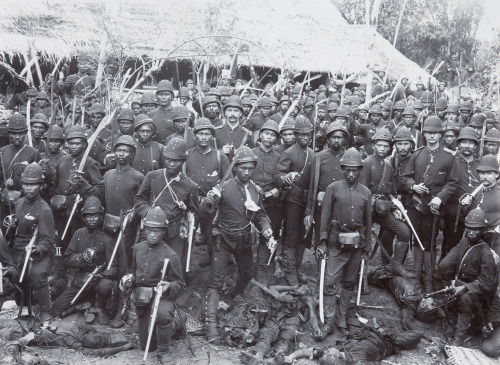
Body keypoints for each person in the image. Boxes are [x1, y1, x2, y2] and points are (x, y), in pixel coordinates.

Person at [204, 146, 273, 344]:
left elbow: (260, 214)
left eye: (250, 168)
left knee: (247, 275)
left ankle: (230, 297)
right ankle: (211, 326)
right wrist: (210, 200)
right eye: (243, 168)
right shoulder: (223, 188)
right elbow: (207, 208)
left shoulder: (255, 189)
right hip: (223, 238)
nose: (247, 172)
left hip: (243, 240)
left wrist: (266, 228)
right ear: (235, 168)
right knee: (216, 281)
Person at [316, 148, 372, 339]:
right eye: (347, 169)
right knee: (330, 282)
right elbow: (324, 217)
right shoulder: (333, 189)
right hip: (336, 244)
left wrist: (367, 247)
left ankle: (341, 318)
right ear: (342, 169)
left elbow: (368, 221)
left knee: (349, 282)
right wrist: (323, 242)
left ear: (360, 171)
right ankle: (329, 320)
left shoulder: (366, 193)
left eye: (355, 170)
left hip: (357, 245)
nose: (351, 174)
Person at [401, 116, 457, 292]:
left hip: (433, 208)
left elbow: (452, 182)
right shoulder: (417, 154)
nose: (432, 136)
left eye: (435, 133)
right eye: (428, 133)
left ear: (441, 135)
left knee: (430, 242)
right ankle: (417, 277)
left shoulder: (449, 157)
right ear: (424, 134)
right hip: (415, 206)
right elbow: (405, 177)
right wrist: (413, 186)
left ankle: (429, 280)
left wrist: (439, 198)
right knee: (417, 241)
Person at [123, 206, 185, 364]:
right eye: (149, 230)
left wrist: (168, 286)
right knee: (146, 346)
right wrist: (128, 280)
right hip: (143, 299)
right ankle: (174, 324)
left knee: (163, 315)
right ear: (144, 228)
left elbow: (180, 284)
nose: (151, 234)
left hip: (161, 297)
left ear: (164, 232)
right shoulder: (137, 249)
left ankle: (165, 348)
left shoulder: (171, 255)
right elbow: (133, 271)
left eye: (156, 231)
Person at [134, 137, 200, 273]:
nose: (171, 164)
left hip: (173, 233)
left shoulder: (190, 186)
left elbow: (194, 212)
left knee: (172, 267)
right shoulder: (152, 176)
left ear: (183, 161)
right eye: (168, 159)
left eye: (176, 161)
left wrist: (185, 215)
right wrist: (149, 213)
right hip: (151, 229)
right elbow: (139, 200)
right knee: (144, 263)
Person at [52, 197, 118, 325]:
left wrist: (101, 275)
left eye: (95, 215)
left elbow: (114, 267)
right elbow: (67, 258)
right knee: (57, 309)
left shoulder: (108, 239)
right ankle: (83, 303)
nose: (91, 219)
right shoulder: (78, 234)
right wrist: (82, 257)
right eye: (88, 216)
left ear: (100, 216)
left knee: (105, 286)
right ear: (83, 217)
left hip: (99, 281)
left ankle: (100, 306)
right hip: (81, 280)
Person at [359, 129, 413, 277]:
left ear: (390, 148)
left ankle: (393, 266)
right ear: (373, 145)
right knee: (363, 243)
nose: (382, 148)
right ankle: (359, 274)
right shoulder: (366, 163)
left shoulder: (388, 166)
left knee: (404, 231)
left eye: (386, 146)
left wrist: (395, 207)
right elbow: (361, 193)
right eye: (379, 145)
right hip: (366, 211)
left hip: (383, 209)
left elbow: (392, 192)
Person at [439, 208, 496, 346]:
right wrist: (452, 282)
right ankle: (452, 322)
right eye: (469, 228)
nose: (471, 232)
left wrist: (464, 288)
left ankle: (459, 338)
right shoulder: (464, 242)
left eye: (475, 229)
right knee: (442, 268)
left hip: (478, 296)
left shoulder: (486, 253)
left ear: (482, 230)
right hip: (462, 284)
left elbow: (487, 284)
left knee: (465, 298)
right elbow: (446, 264)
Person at [11, 163, 55, 322]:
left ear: (41, 186)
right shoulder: (20, 203)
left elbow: (48, 241)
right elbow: (14, 230)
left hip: (38, 252)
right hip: (19, 249)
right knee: (12, 274)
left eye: (33, 184)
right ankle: (27, 302)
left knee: (37, 274)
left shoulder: (44, 210)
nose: (29, 188)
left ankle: (46, 311)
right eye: (26, 184)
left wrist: (36, 249)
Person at [49, 125, 103, 250]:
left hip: (78, 212)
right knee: (60, 242)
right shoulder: (62, 160)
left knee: (77, 243)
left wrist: (83, 186)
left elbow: (99, 192)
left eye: (77, 143)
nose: (73, 146)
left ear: (84, 145)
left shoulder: (90, 163)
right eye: (70, 143)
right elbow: (55, 184)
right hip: (60, 210)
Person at [275, 117, 314, 286]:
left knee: (305, 235)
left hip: (308, 198)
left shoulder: (313, 154)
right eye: (301, 134)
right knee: (291, 235)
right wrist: (286, 177)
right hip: (293, 199)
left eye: (307, 134)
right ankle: (289, 271)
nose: (304, 137)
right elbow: (277, 175)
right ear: (296, 135)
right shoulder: (289, 152)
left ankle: (298, 268)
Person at [185, 118, 230, 267]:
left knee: (212, 233)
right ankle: (185, 264)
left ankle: (213, 261)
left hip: (212, 204)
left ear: (212, 136)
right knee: (188, 234)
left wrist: (217, 193)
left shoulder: (220, 157)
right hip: (192, 202)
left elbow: (227, 180)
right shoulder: (187, 156)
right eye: (200, 134)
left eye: (207, 134)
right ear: (194, 136)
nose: (204, 137)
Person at [304, 122, 348, 249]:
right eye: (333, 137)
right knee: (321, 237)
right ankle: (320, 266)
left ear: (344, 139)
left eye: (339, 137)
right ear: (328, 139)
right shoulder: (319, 157)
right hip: (321, 205)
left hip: (342, 205)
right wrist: (309, 211)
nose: (336, 140)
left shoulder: (349, 157)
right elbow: (313, 185)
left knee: (340, 237)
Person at [441, 127, 480, 259]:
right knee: (450, 247)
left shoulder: (480, 166)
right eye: (464, 142)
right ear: (458, 144)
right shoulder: (451, 161)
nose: (467, 146)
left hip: (474, 218)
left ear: (475, 146)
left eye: (471, 143)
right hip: (453, 215)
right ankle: (444, 276)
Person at [252, 121, 282, 284]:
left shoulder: (279, 157)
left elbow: (281, 180)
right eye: (266, 133)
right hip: (250, 199)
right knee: (248, 234)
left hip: (270, 201)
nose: (269, 137)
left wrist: (274, 191)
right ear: (260, 135)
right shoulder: (251, 152)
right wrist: (253, 188)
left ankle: (261, 268)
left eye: (273, 135)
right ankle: (247, 267)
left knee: (267, 232)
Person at [0, 113, 40, 235]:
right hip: (5, 203)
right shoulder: (2, 152)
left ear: (26, 133)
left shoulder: (33, 153)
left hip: (26, 203)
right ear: (9, 133)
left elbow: (39, 181)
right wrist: (4, 185)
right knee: (4, 233)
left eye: (21, 133)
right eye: (13, 133)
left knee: (22, 235)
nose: (17, 137)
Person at [461, 155, 500, 255]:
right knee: (445, 264)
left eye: (489, 173)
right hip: (472, 236)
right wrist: (465, 206)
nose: (485, 176)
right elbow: (465, 216)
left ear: (496, 175)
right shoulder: (475, 191)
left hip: (493, 239)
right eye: (482, 173)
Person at [215, 95, 254, 162]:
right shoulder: (216, 132)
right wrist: (221, 151)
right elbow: (209, 155)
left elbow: (252, 155)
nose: (232, 114)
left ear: (241, 113)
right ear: (225, 113)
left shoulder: (247, 134)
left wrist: (242, 154)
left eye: (236, 111)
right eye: (230, 110)